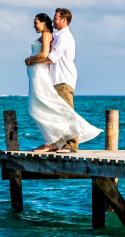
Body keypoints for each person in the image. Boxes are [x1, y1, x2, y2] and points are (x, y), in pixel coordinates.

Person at [23, 11, 100, 152]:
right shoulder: (57, 36)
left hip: (63, 78)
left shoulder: (65, 37)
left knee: (66, 112)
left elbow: (51, 57)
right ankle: (57, 143)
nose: (53, 20)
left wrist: (30, 60)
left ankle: (71, 145)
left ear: (64, 20)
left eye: (56, 18)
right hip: (55, 78)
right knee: (59, 111)